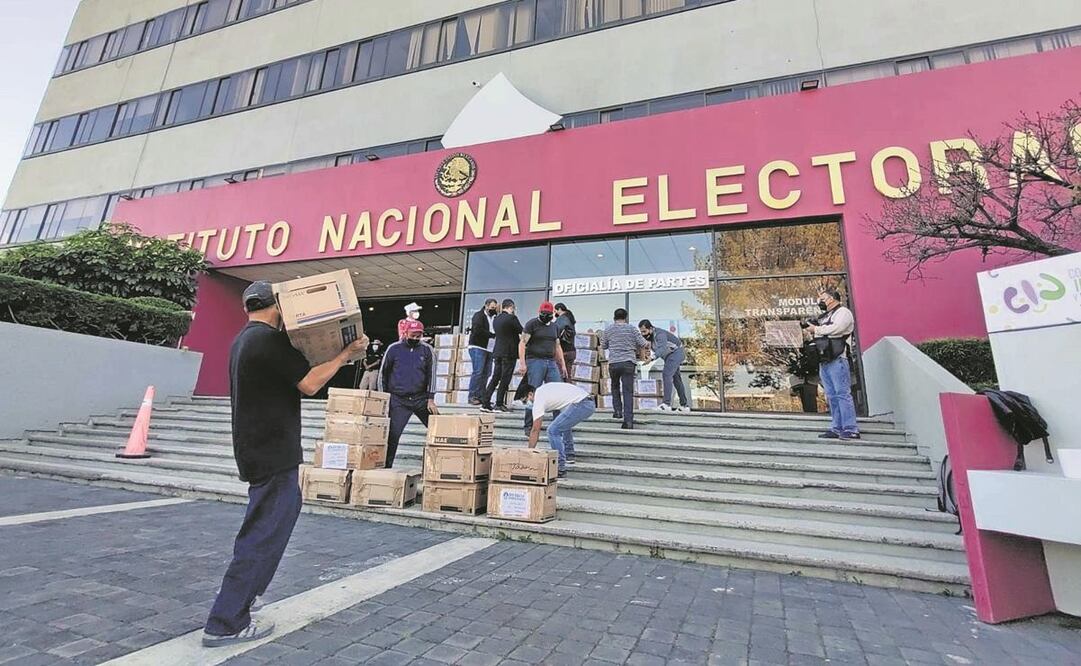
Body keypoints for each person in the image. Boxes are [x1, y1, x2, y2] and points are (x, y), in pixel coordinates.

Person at [203, 281, 367, 647]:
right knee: (262, 534)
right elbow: (309, 383)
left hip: (256, 448)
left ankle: (245, 599)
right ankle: (226, 620)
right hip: (272, 451)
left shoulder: (243, 339)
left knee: (276, 520)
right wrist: (345, 354)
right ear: (277, 305)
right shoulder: (268, 341)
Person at [380, 319, 439, 467]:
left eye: (418, 336)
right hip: (398, 400)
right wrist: (384, 398)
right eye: (412, 335)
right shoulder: (393, 349)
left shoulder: (427, 350)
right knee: (392, 435)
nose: (415, 338)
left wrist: (430, 398)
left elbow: (432, 374)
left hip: (421, 399)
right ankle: (385, 468)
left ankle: (446, 464)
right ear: (405, 333)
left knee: (440, 429)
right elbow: (383, 374)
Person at [806, 288, 859, 440]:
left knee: (842, 394)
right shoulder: (825, 316)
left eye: (823, 298)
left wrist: (817, 329)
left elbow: (837, 329)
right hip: (824, 360)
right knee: (831, 395)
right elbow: (823, 332)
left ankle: (851, 428)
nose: (820, 302)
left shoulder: (843, 312)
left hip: (838, 358)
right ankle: (836, 428)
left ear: (831, 298)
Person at [520, 381, 594, 478]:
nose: (527, 404)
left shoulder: (538, 398)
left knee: (552, 430)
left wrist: (529, 453)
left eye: (525, 401)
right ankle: (569, 454)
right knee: (562, 424)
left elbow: (535, 430)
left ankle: (560, 468)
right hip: (586, 402)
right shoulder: (543, 390)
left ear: (530, 393)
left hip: (581, 404)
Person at [519, 302, 568, 430]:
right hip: (535, 361)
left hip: (551, 362)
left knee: (557, 393)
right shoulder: (532, 324)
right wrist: (522, 363)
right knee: (533, 393)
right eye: (543, 314)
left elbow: (557, 346)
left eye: (548, 314)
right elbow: (522, 343)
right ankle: (529, 426)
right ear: (539, 312)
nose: (545, 316)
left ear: (552, 314)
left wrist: (562, 364)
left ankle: (559, 425)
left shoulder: (554, 327)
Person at [603, 308, 649, 430]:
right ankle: (628, 421)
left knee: (615, 386)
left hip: (614, 362)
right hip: (628, 362)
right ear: (626, 317)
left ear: (614, 318)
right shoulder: (632, 329)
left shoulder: (608, 330)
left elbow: (603, 345)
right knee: (628, 391)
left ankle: (617, 411)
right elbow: (643, 343)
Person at [638, 320, 690, 412]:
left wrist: (652, 358)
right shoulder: (650, 338)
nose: (643, 334)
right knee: (677, 379)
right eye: (641, 332)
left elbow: (662, 348)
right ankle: (684, 406)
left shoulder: (660, 334)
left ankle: (666, 404)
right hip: (669, 356)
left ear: (650, 329)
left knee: (666, 374)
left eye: (644, 331)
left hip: (676, 352)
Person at [481, 299, 523, 412]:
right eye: (513, 308)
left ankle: (485, 403)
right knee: (505, 378)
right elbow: (521, 331)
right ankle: (499, 404)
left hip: (498, 351)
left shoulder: (496, 319)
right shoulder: (512, 318)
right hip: (509, 352)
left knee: (495, 377)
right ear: (511, 307)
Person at [466, 298, 498, 405]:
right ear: (486, 306)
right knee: (478, 372)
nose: (494, 309)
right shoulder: (478, 316)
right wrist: (492, 335)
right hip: (478, 347)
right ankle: (472, 396)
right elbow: (478, 330)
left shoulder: (494, 317)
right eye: (492, 307)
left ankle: (481, 396)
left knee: (487, 373)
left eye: (495, 307)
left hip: (489, 348)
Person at [554, 303, 577, 369]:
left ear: (559, 309)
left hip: (563, 350)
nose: (554, 312)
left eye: (555, 310)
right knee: (568, 374)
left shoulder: (562, 319)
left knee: (559, 374)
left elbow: (556, 332)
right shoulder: (570, 318)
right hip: (571, 350)